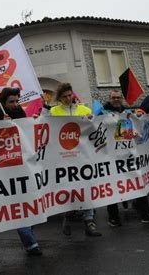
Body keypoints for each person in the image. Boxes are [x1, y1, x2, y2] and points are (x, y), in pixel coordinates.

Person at [0, 87, 43, 256]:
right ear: (3, 103)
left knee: (29, 204)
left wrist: (34, 122)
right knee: (18, 207)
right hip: (7, 173)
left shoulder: (22, 115)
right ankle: (30, 243)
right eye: (11, 102)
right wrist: (0, 126)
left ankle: (29, 239)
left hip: (25, 169)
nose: (15, 104)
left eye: (16, 101)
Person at [97, 90, 149, 225]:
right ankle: (113, 218)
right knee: (112, 187)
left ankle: (145, 214)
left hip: (129, 155)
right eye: (113, 97)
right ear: (109, 99)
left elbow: (137, 130)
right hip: (111, 157)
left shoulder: (128, 113)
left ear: (122, 98)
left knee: (139, 182)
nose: (116, 99)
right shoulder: (101, 113)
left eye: (118, 97)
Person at [50, 83, 101, 236]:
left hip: (83, 154)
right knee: (70, 190)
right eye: (64, 96)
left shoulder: (84, 110)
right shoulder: (53, 111)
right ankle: (68, 216)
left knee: (86, 186)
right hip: (64, 157)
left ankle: (89, 221)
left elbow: (94, 128)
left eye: (70, 95)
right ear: (59, 98)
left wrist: (92, 120)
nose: (68, 98)